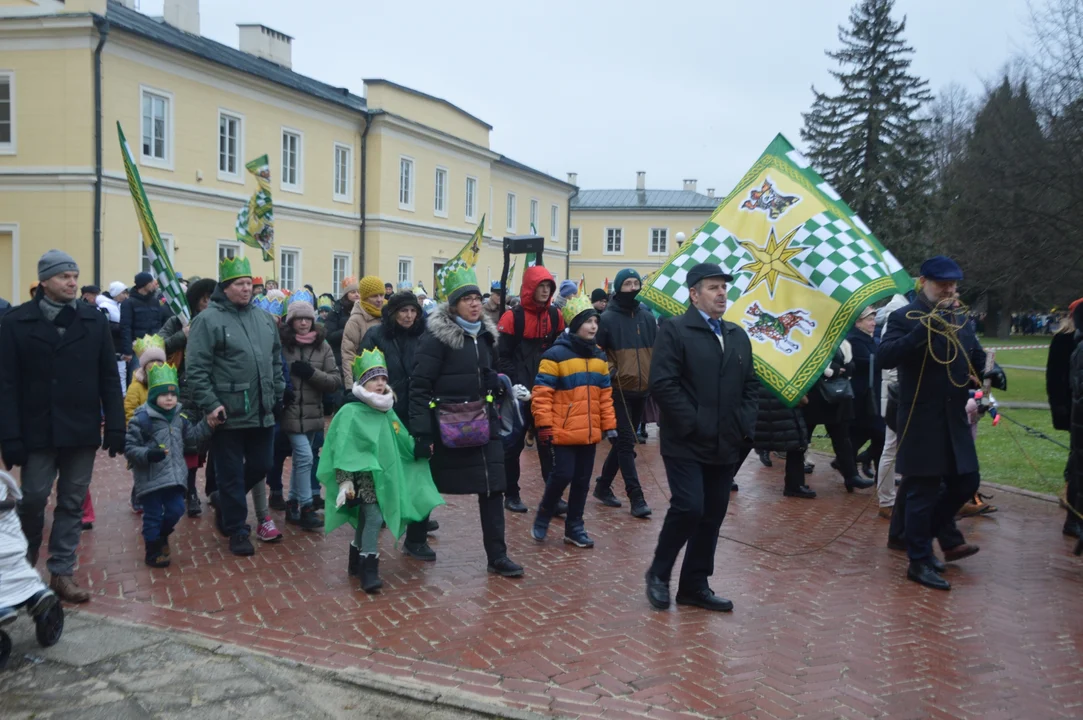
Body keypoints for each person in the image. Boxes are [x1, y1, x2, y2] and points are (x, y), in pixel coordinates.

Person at [0, 250, 125, 603]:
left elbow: (108, 377)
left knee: (71, 501)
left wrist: (116, 425)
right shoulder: (15, 322)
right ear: (44, 281)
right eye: (63, 277)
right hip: (36, 430)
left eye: (74, 275)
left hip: (80, 428)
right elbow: (6, 383)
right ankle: (22, 571)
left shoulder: (93, 320)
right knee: (33, 498)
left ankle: (62, 572)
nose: (72, 282)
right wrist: (9, 435)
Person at [645, 263, 758, 613]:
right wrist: (693, 422)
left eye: (724, 287)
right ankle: (659, 574)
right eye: (713, 287)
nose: (722, 293)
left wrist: (743, 423)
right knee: (689, 507)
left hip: (726, 442)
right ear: (694, 294)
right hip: (686, 441)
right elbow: (663, 384)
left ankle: (694, 584)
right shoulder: (675, 330)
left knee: (712, 514)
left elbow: (750, 385)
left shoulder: (737, 334)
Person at [879, 256, 991, 591]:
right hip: (920, 416)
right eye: (943, 284)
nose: (950, 290)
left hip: (954, 416)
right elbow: (886, 356)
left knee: (966, 480)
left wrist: (990, 371)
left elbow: (974, 354)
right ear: (924, 282)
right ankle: (918, 560)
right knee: (922, 490)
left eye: (954, 285)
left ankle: (926, 537)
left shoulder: (959, 317)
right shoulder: (903, 317)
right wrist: (923, 328)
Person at [411, 266, 524, 578]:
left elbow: (483, 370)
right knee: (428, 484)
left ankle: (497, 556)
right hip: (446, 424)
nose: (475, 304)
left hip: (482, 421)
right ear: (453, 305)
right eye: (467, 299)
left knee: (493, 486)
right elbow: (419, 386)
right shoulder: (436, 338)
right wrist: (422, 432)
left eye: (477, 298)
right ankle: (416, 537)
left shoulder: (486, 336)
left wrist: (493, 380)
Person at [320, 349, 445, 593]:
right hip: (360, 476)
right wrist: (345, 481)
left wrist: (417, 449)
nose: (380, 383)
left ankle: (356, 558)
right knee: (375, 517)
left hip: (383, 474)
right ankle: (369, 568)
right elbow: (341, 447)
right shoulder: (350, 411)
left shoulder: (386, 410)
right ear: (362, 381)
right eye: (374, 378)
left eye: (384, 378)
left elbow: (400, 436)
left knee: (368, 517)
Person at [186, 257, 285, 557]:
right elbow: (197, 369)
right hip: (228, 412)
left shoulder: (264, 319)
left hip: (263, 409)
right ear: (225, 288)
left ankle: (225, 500)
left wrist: (278, 391)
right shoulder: (208, 320)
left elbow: (275, 360)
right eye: (239, 284)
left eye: (249, 284)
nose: (246, 290)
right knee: (230, 473)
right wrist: (210, 404)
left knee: (263, 464)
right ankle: (237, 530)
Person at [530, 295, 617, 547]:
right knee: (562, 474)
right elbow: (542, 394)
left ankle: (574, 527)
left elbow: (605, 396)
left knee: (582, 481)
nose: (593, 326)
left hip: (589, 433)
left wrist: (609, 425)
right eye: (588, 321)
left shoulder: (600, 358)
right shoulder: (555, 355)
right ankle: (545, 512)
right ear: (576, 324)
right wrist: (543, 425)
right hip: (563, 430)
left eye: (595, 322)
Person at [360, 290, 438, 560]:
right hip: (386, 417)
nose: (408, 315)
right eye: (403, 310)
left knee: (421, 477)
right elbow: (366, 376)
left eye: (413, 310)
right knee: (385, 475)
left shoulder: (427, 336)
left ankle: (416, 538)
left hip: (419, 415)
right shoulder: (375, 336)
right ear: (391, 313)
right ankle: (377, 523)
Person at [125, 364, 218, 567]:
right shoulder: (141, 419)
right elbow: (130, 448)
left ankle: (162, 536)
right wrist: (149, 454)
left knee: (176, 510)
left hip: (175, 477)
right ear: (153, 396)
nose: (169, 399)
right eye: (164, 395)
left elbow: (193, 436)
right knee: (152, 516)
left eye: (173, 395)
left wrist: (208, 423)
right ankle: (152, 551)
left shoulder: (179, 418)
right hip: (151, 479)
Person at [497, 266, 567, 514]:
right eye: (541, 285)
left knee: (548, 445)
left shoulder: (556, 316)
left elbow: (561, 350)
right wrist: (515, 385)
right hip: (518, 394)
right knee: (513, 445)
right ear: (530, 287)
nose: (545, 290)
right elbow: (502, 356)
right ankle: (511, 493)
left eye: (548, 286)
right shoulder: (511, 318)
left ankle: (553, 497)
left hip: (546, 390)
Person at [593, 269, 656, 517]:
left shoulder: (648, 317)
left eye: (636, 283)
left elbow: (657, 350)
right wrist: (611, 371)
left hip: (643, 389)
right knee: (627, 442)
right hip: (617, 389)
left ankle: (602, 486)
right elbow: (596, 351)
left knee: (622, 442)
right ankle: (636, 497)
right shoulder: (607, 319)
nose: (632, 287)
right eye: (627, 283)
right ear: (618, 288)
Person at [279, 299, 341, 531]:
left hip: (314, 414)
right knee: (305, 457)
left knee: (301, 461)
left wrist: (311, 373)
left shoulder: (322, 346)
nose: (304, 323)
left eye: (307, 319)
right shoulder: (283, 346)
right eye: (299, 319)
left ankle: (293, 503)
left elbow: (334, 380)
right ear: (291, 321)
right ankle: (306, 507)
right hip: (290, 413)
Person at [159, 277, 218, 517]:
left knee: (212, 444)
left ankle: (213, 489)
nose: (208, 303)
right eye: (204, 299)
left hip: (211, 389)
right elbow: (155, 348)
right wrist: (182, 335)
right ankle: (189, 489)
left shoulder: (218, 320)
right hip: (181, 391)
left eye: (211, 299)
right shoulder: (177, 321)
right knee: (188, 444)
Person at [803, 340, 874, 492]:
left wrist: (840, 369)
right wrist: (834, 369)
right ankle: (795, 481)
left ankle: (851, 476)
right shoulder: (815, 337)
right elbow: (817, 365)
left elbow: (850, 367)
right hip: (814, 395)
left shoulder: (844, 342)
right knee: (803, 436)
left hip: (837, 397)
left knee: (842, 438)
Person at [1049, 298, 1083, 539]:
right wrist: (1059, 407)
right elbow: (1055, 376)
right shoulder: (1064, 339)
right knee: (1077, 462)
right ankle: (1073, 511)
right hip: (1073, 407)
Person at [874, 294, 909, 518]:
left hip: (900, 390)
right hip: (898, 392)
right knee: (891, 447)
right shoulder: (898, 318)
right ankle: (886, 500)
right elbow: (891, 361)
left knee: (894, 448)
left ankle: (893, 498)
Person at [751, 382, 815, 498]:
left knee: (743, 445)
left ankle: (795, 484)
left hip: (764, 411)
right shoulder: (783, 372)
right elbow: (802, 400)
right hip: (784, 413)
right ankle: (794, 486)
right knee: (796, 447)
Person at [848, 306, 885, 480]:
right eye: (869, 320)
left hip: (873, 394)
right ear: (858, 323)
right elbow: (868, 362)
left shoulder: (870, 339)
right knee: (876, 433)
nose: (873, 323)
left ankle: (876, 471)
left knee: (870, 434)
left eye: (873, 319)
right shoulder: (855, 340)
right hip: (863, 396)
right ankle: (851, 465)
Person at [120, 272, 173, 383]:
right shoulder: (128, 303)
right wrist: (128, 351)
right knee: (136, 378)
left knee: (155, 376)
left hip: (154, 346)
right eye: (151, 282)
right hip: (137, 348)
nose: (154, 284)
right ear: (144, 284)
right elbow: (125, 327)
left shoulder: (155, 302)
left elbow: (159, 324)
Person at [341, 276, 386, 386]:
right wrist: (350, 386)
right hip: (366, 381)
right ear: (365, 297)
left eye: (381, 295)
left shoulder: (389, 315)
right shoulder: (355, 320)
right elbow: (348, 355)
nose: (380, 299)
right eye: (375, 296)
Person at [323, 276, 358, 377]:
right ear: (346, 294)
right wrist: (348, 330)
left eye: (358, 292)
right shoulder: (336, 311)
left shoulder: (364, 309)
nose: (356, 295)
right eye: (353, 292)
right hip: (340, 356)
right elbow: (329, 335)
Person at [98, 281, 129, 392]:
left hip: (121, 346)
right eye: (123, 293)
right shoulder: (104, 306)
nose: (125, 296)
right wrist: (122, 327)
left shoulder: (121, 306)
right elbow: (104, 325)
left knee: (122, 373)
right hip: (113, 345)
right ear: (116, 293)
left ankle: (123, 395)